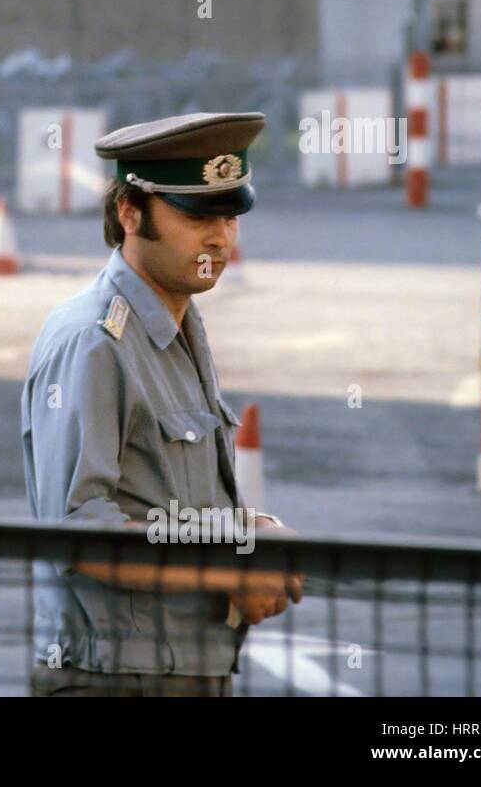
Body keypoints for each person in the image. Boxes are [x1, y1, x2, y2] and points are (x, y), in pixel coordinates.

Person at [21, 112, 304, 697]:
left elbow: (162, 501)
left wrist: (250, 530)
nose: (220, 238)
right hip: (114, 679)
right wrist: (226, 568)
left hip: (185, 668)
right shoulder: (95, 342)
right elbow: (79, 531)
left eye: (229, 215)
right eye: (197, 215)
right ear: (129, 211)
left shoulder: (180, 321)